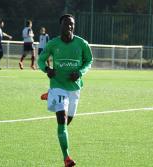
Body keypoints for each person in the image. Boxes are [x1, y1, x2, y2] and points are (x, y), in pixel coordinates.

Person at [37, 14, 93, 167]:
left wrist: (80, 72)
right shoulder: (53, 43)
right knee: (61, 120)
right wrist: (47, 69)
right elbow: (41, 60)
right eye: (66, 24)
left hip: (74, 88)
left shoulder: (82, 43)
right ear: (60, 26)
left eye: (72, 24)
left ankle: (51, 97)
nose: (69, 27)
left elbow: (89, 60)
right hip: (58, 84)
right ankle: (66, 158)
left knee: (67, 122)